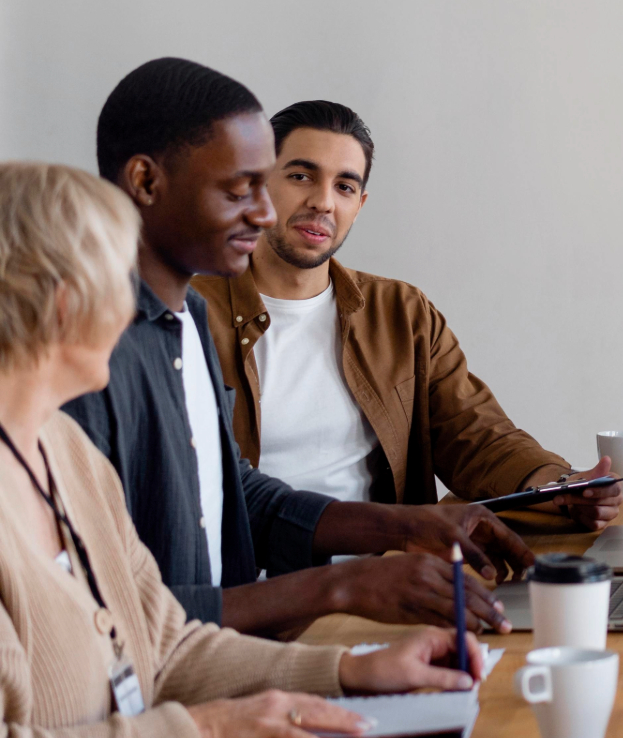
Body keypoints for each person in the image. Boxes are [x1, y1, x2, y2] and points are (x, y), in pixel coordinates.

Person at [0, 161, 484, 738]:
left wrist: (350, 670)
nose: (134, 310)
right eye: (120, 284)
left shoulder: (67, 453)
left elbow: (165, 644)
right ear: (65, 303)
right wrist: (206, 727)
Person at [65, 58, 534, 638]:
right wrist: (340, 587)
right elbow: (96, 617)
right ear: (145, 182)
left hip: (227, 654)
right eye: (241, 188)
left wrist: (402, 528)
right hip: (178, 677)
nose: (267, 212)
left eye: (344, 186)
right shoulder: (83, 350)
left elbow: (234, 494)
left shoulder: (186, 320)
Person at [190, 100, 619, 528]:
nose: (323, 202)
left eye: (345, 187)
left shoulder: (401, 312)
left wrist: (561, 486)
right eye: (301, 176)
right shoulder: (186, 316)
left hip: (391, 563)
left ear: (359, 205)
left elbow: (476, 437)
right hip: (252, 569)